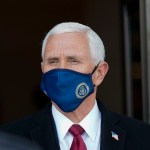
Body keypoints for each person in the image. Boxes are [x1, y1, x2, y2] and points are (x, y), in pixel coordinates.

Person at [1, 22, 150, 150]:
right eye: (53, 61)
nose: (61, 71)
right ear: (42, 69)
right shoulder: (9, 140)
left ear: (99, 73)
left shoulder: (143, 137)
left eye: (73, 61)